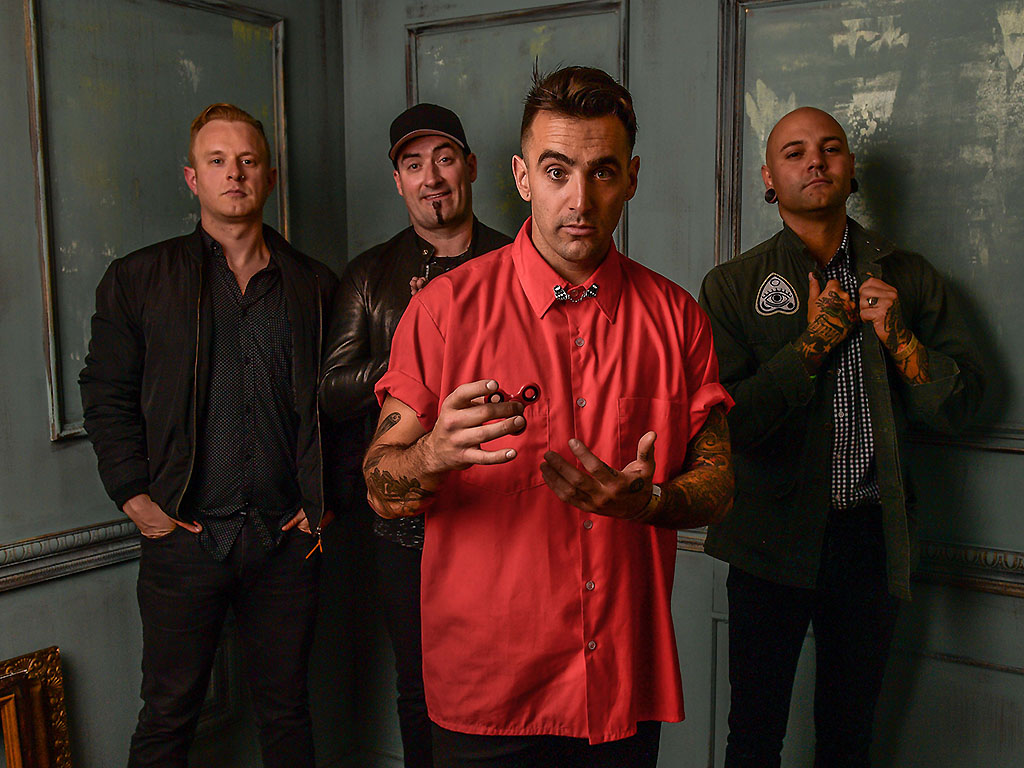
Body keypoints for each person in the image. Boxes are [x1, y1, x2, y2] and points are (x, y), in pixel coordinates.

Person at [361, 66, 735, 768]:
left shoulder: (678, 319)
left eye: (601, 172)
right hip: (487, 692)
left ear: (631, 177)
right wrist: (433, 455)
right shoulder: (442, 313)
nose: (579, 198)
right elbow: (380, 486)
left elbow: (718, 486)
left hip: (619, 687)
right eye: (557, 171)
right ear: (523, 176)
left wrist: (651, 500)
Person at [699, 107, 985, 767]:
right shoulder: (735, 286)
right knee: (753, 739)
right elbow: (727, 425)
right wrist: (811, 345)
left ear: (850, 169)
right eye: (795, 152)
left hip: (870, 540)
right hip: (769, 541)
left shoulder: (907, 277)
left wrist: (900, 339)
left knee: (849, 738)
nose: (816, 161)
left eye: (830, 148)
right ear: (769, 178)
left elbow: (965, 403)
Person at [79, 103, 339, 768]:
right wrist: (134, 494)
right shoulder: (138, 280)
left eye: (248, 161)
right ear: (192, 178)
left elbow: (342, 404)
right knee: (168, 718)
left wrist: (323, 496)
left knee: (286, 714)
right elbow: (104, 392)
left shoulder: (314, 285)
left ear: (269, 177)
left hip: (285, 542)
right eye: (218, 161)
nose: (235, 173)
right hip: (185, 541)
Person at [319, 103, 511, 768]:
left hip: (502, 513)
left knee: (507, 683)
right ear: (397, 180)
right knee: (419, 688)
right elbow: (334, 388)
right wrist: (419, 348)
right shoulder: (371, 274)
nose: (431, 176)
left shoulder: (516, 260)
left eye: (445, 158)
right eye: (413, 163)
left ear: (472, 168)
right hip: (406, 522)